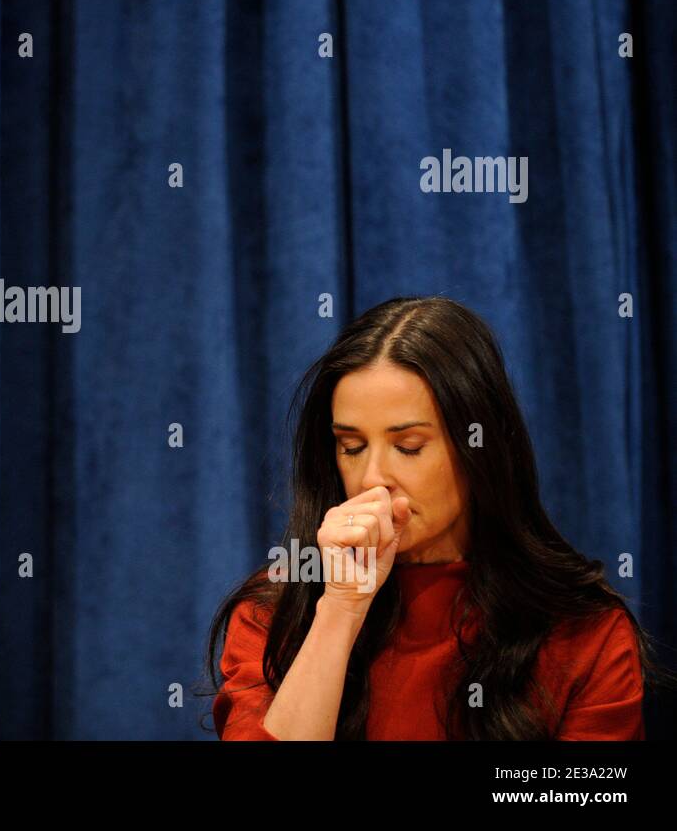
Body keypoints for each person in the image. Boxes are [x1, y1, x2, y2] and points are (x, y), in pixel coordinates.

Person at [207, 296, 662, 740]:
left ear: (478, 451)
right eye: (351, 447)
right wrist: (340, 610)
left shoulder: (584, 632)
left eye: (408, 447)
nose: (372, 480)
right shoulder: (271, 615)